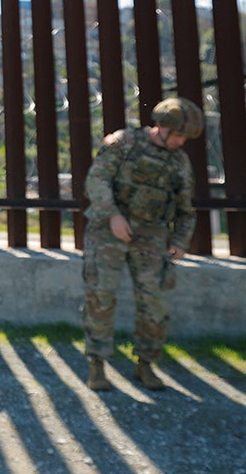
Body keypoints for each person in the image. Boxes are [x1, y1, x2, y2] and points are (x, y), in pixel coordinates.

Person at [80, 97, 202, 391]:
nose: (181, 142)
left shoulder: (179, 161)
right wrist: (113, 216)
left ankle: (146, 364)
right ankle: (97, 364)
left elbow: (186, 208)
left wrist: (181, 241)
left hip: (151, 236)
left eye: (185, 137)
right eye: (177, 135)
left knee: (154, 302)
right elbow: (96, 180)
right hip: (108, 231)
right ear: (161, 127)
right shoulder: (125, 143)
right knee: (101, 295)